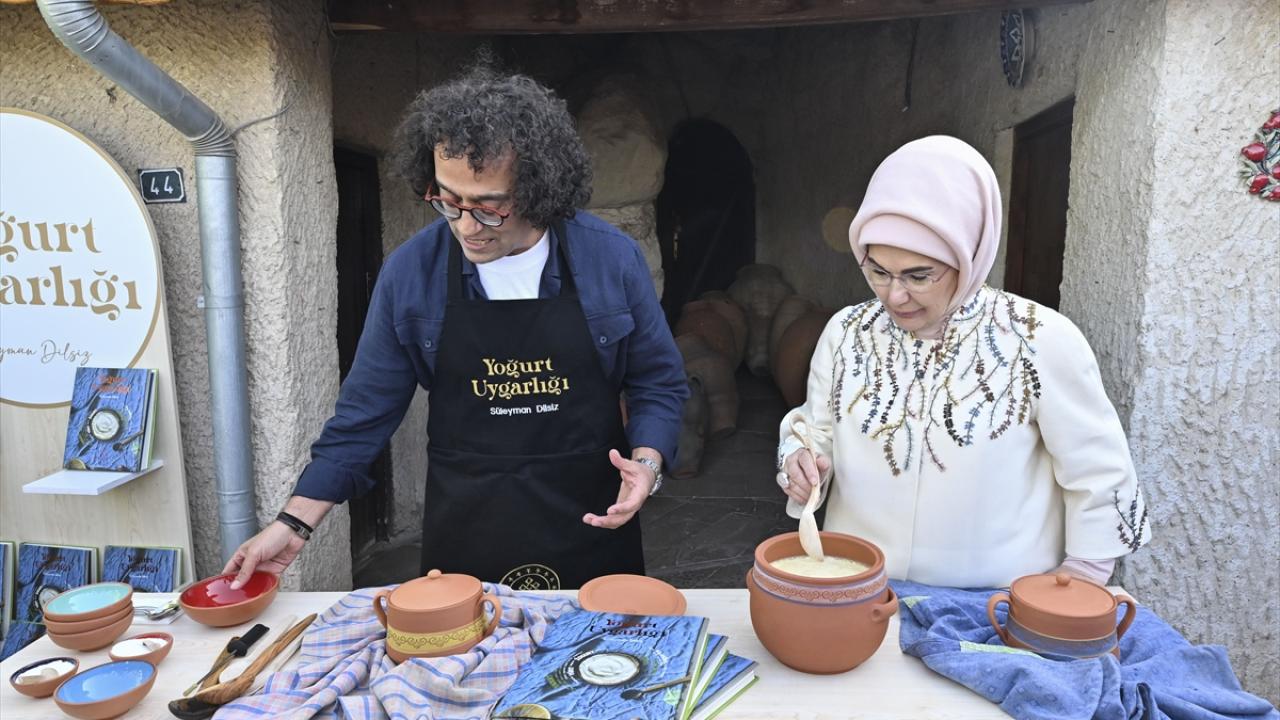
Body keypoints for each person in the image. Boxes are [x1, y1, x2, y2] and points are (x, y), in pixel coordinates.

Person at [224, 67, 688, 591]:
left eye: (489, 208)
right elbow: (364, 413)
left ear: (540, 190)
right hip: (468, 527)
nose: (465, 226)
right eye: (447, 200)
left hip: (593, 520)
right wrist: (294, 522)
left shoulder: (611, 260)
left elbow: (658, 382)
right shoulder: (411, 274)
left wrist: (646, 464)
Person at [776, 135, 1151, 589]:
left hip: (995, 606)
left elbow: (1098, 470)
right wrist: (800, 459)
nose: (894, 295)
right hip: (858, 586)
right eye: (877, 271)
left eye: (918, 275)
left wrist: (1080, 578)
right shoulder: (846, 332)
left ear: (969, 255)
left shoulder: (1038, 339)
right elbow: (815, 427)